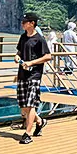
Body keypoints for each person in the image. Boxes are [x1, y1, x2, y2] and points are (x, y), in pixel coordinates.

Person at [14, 13, 51, 144]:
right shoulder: (23, 37)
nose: (22, 24)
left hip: (34, 75)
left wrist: (31, 63)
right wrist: (17, 57)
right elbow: (19, 51)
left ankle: (28, 134)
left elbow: (48, 56)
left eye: (25, 22)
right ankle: (40, 121)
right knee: (23, 106)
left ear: (32, 23)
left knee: (30, 105)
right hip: (22, 74)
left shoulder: (39, 39)